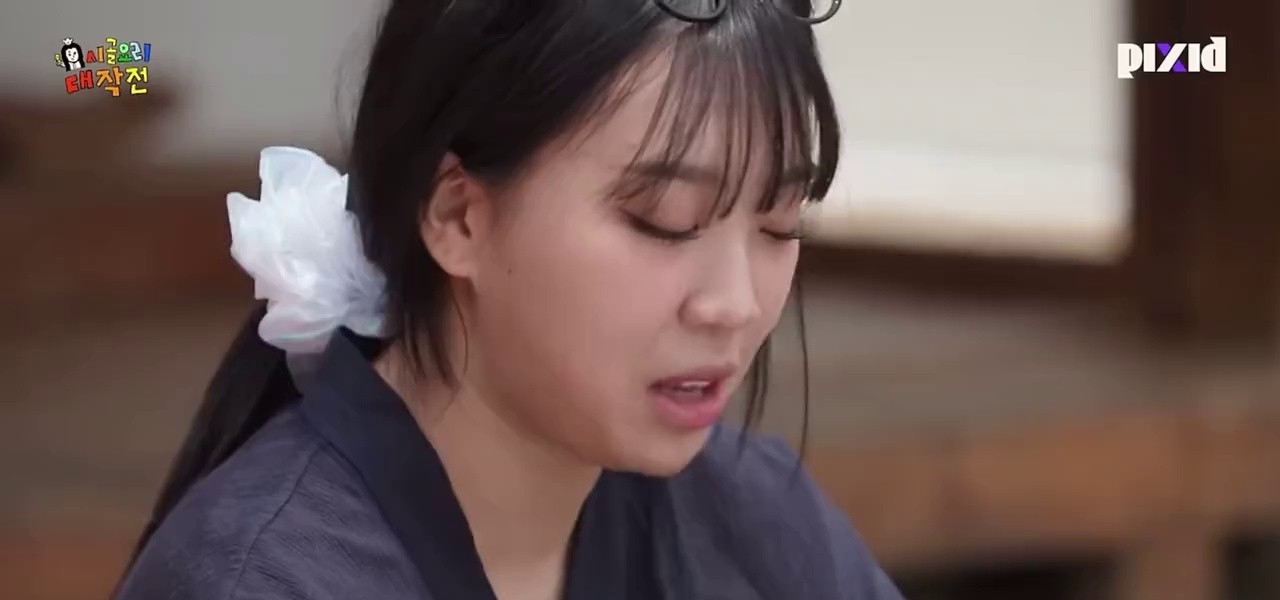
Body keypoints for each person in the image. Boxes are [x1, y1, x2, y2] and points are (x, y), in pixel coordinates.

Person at [114, 0, 904, 598]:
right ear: (459, 215)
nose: (734, 304)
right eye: (665, 221)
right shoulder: (264, 578)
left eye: (778, 223)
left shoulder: (756, 515)